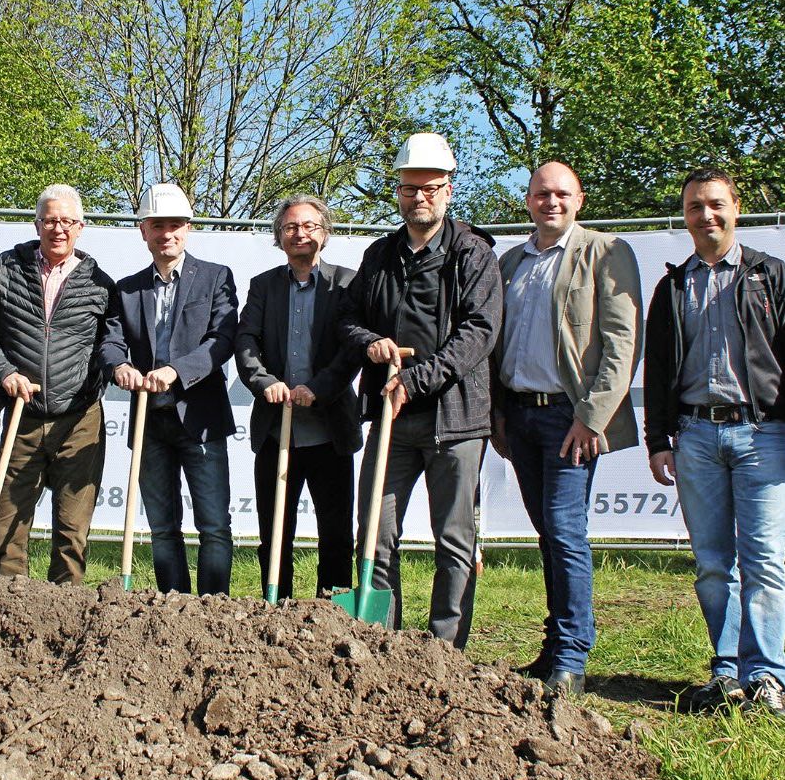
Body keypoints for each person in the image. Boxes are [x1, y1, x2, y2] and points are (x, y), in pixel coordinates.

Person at [338, 132, 502, 649]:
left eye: (430, 188)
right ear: (399, 192)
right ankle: (382, 642)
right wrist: (372, 343)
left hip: (455, 421)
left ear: (448, 190)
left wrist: (416, 379)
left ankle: (444, 650)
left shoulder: (472, 253)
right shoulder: (380, 255)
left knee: (454, 541)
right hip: (392, 418)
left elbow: (479, 331)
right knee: (376, 534)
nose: (420, 198)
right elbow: (348, 319)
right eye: (410, 189)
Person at [492, 162, 643, 695]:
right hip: (520, 414)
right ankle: (554, 647)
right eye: (540, 193)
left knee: (564, 530)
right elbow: (497, 346)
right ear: (527, 200)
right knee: (548, 534)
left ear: (579, 199)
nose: (550, 201)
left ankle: (572, 658)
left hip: (570, 417)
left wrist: (590, 418)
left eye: (561, 194)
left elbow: (621, 345)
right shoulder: (511, 261)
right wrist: (499, 414)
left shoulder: (606, 252)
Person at [645, 168, 785, 717]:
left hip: (762, 434)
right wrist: (660, 441)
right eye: (695, 207)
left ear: (736, 207)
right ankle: (727, 672)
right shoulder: (673, 286)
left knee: (766, 562)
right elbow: (657, 373)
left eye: (716, 204)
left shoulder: (770, 277)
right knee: (711, 564)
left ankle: (767, 678)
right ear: (684, 216)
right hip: (696, 436)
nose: (706, 216)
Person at [0, 184, 115, 584]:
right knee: (8, 523)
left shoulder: (100, 283)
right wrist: (4, 373)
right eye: (50, 220)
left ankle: (66, 608)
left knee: (73, 528)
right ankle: (6, 605)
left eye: (67, 221)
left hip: (79, 417)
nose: (58, 229)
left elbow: (109, 342)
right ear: (37, 224)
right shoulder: (5, 268)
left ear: (81, 227)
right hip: (22, 413)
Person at [99, 183, 238, 595]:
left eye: (175, 225)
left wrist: (177, 371)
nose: (167, 234)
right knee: (162, 527)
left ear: (188, 228)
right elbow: (110, 340)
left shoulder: (216, 277)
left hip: (200, 419)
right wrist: (119, 366)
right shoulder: (126, 289)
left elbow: (222, 339)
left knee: (214, 525)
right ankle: (172, 609)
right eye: (158, 225)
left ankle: (216, 609)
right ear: (143, 230)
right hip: (149, 421)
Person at [235, 194, 361, 599]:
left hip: (330, 433)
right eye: (290, 227)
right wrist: (264, 382)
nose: (299, 233)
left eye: (309, 226)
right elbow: (246, 342)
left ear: (324, 234)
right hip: (277, 433)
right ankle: (276, 611)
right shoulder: (263, 286)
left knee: (337, 535)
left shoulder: (347, 284)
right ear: (279, 236)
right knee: (274, 534)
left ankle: (336, 616)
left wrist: (319, 389)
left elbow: (351, 348)